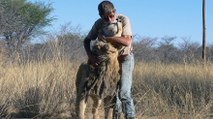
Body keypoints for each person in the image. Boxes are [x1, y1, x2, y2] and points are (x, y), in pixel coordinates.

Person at [83, 1, 135, 119]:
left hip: (124, 59)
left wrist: (107, 38)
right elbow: (86, 40)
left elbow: (127, 42)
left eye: (111, 16)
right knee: (112, 93)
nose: (110, 20)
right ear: (101, 16)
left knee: (124, 92)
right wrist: (91, 56)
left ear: (114, 12)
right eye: (106, 18)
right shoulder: (99, 24)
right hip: (109, 62)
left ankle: (130, 116)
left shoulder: (123, 20)